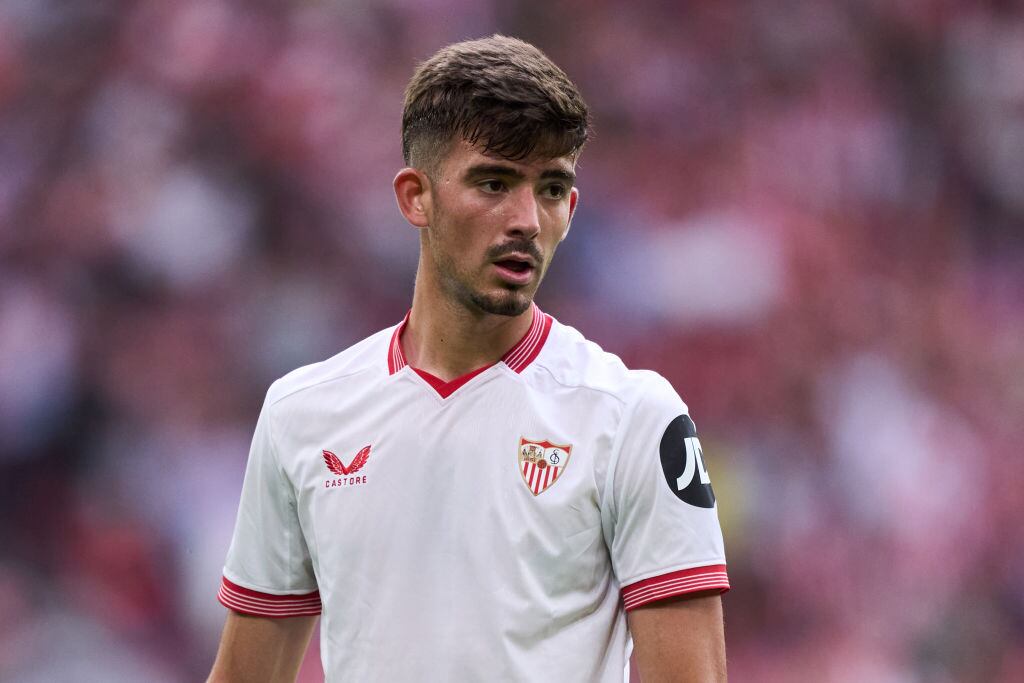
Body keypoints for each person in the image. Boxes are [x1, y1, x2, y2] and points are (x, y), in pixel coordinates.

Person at [208, 35, 728, 683]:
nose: (526, 221)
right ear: (414, 197)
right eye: (494, 181)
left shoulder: (634, 418)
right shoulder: (302, 414)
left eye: (551, 188)